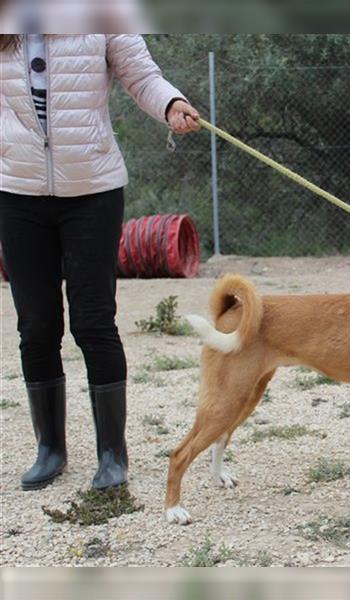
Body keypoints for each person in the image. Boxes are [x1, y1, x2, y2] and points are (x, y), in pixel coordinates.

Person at [0, 34, 200, 490]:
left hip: (93, 191)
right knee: (36, 325)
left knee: (94, 322)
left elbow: (142, 76)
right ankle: (50, 449)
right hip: (17, 193)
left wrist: (171, 104)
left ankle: (112, 453)